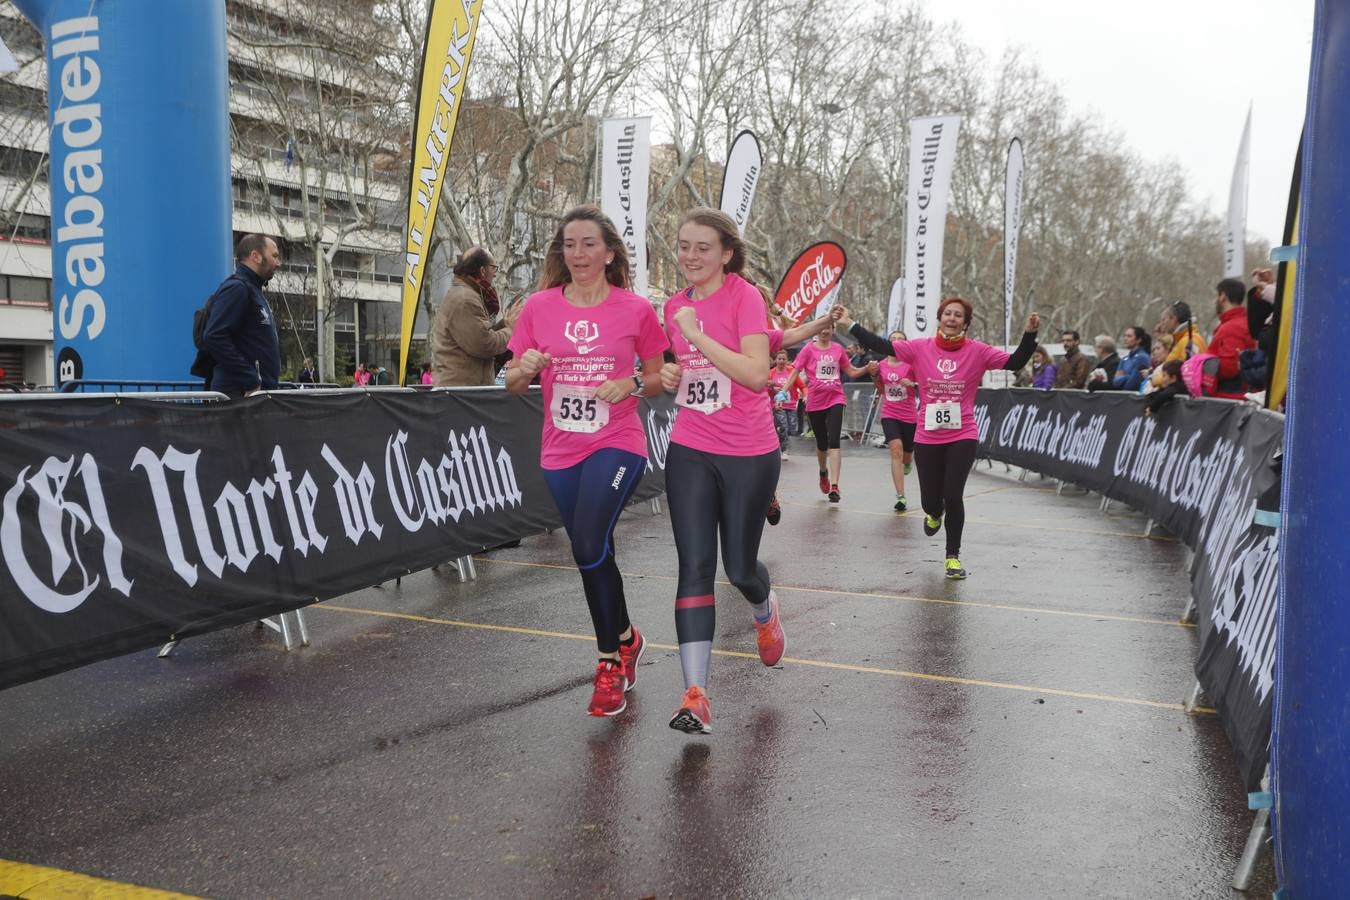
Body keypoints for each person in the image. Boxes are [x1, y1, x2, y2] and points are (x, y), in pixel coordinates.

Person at [505, 205, 668, 718]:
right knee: (593, 551)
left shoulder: (635, 310)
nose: (577, 254)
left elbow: (661, 376)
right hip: (559, 449)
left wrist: (632, 384)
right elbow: (511, 383)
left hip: (617, 441)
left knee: (588, 541)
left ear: (609, 252)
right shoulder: (538, 307)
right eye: (569, 245)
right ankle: (627, 636)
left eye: (588, 245)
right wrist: (524, 367)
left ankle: (608, 664)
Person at [658, 207, 787, 736]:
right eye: (684, 246)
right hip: (690, 445)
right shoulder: (673, 307)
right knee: (694, 565)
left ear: (727, 253)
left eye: (702, 248)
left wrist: (697, 335)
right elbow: (683, 372)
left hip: (749, 451)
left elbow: (757, 375)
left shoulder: (744, 297)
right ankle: (696, 694)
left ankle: (764, 605)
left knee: (738, 569)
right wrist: (670, 372)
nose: (690, 256)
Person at [835, 298, 1039, 579]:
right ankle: (934, 512)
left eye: (958, 315)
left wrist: (1029, 335)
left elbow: (1016, 361)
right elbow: (883, 345)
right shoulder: (920, 348)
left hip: (963, 433)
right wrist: (851, 325)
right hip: (928, 435)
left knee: (953, 495)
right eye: (947, 314)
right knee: (932, 500)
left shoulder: (977, 351)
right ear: (939, 318)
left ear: (965, 323)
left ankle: (952, 557)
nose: (952, 318)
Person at [789, 328, 870, 502]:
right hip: (815, 400)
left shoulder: (838, 349)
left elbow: (852, 372)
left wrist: (867, 368)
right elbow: (795, 371)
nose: (825, 331)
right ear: (817, 330)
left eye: (828, 328)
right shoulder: (808, 349)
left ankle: (835, 486)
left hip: (836, 398)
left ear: (833, 330)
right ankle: (823, 471)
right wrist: (783, 391)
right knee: (822, 443)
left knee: (834, 441)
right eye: (822, 328)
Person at [200, 234, 282, 399]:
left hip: (252, 394)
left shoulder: (253, 290)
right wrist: (250, 379)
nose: (278, 263)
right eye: (274, 256)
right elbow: (214, 336)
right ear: (255, 256)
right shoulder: (238, 288)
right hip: (240, 395)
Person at [432, 247, 515, 387]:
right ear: (482, 271)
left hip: (465, 390)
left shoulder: (466, 294)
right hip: (463, 395)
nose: (495, 274)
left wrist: (504, 324)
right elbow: (484, 344)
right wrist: (511, 330)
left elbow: (479, 334)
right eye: (493, 268)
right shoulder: (465, 299)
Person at [872, 330, 919, 511]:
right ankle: (901, 496)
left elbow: (924, 382)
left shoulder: (912, 364)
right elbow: (882, 389)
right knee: (896, 451)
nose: (897, 342)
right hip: (889, 413)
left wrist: (912, 384)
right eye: (893, 340)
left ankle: (908, 461)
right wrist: (875, 376)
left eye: (901, 340)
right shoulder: (881, 365)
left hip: (909, 415)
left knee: (907, 453)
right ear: (887, 343)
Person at [1210, 277, 1257, 400]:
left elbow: (1229, 368)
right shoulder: (1244, 322)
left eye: (1217, 296)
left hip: (1229, 401)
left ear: (1223, 297)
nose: (1216, 300)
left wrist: (1203, 365)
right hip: (1238, 398)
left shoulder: (1231, 328)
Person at [768, 349, 805, 462]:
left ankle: (779, 441)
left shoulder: (791, 372)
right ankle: (784, 450)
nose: (781, 361)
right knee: (783, 427)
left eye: (784, 359)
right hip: (777, 405)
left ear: (787, 360)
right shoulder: (771, 373)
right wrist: (772, 388)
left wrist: (805, 395)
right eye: (779, 359)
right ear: (776, 360)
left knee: (791, 429)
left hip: (791, 404)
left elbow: (802, 386)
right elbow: (764, 388)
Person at [1105, 326, 1151, 392]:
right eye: (1125, 336)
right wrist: (1127, 376)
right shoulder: (1125, 359)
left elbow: (1131, 385)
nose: (1125, 338)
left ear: (1139, 340)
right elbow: (1115, 382)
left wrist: (1124, 376)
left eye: (1129, 336)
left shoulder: (1142, 357)